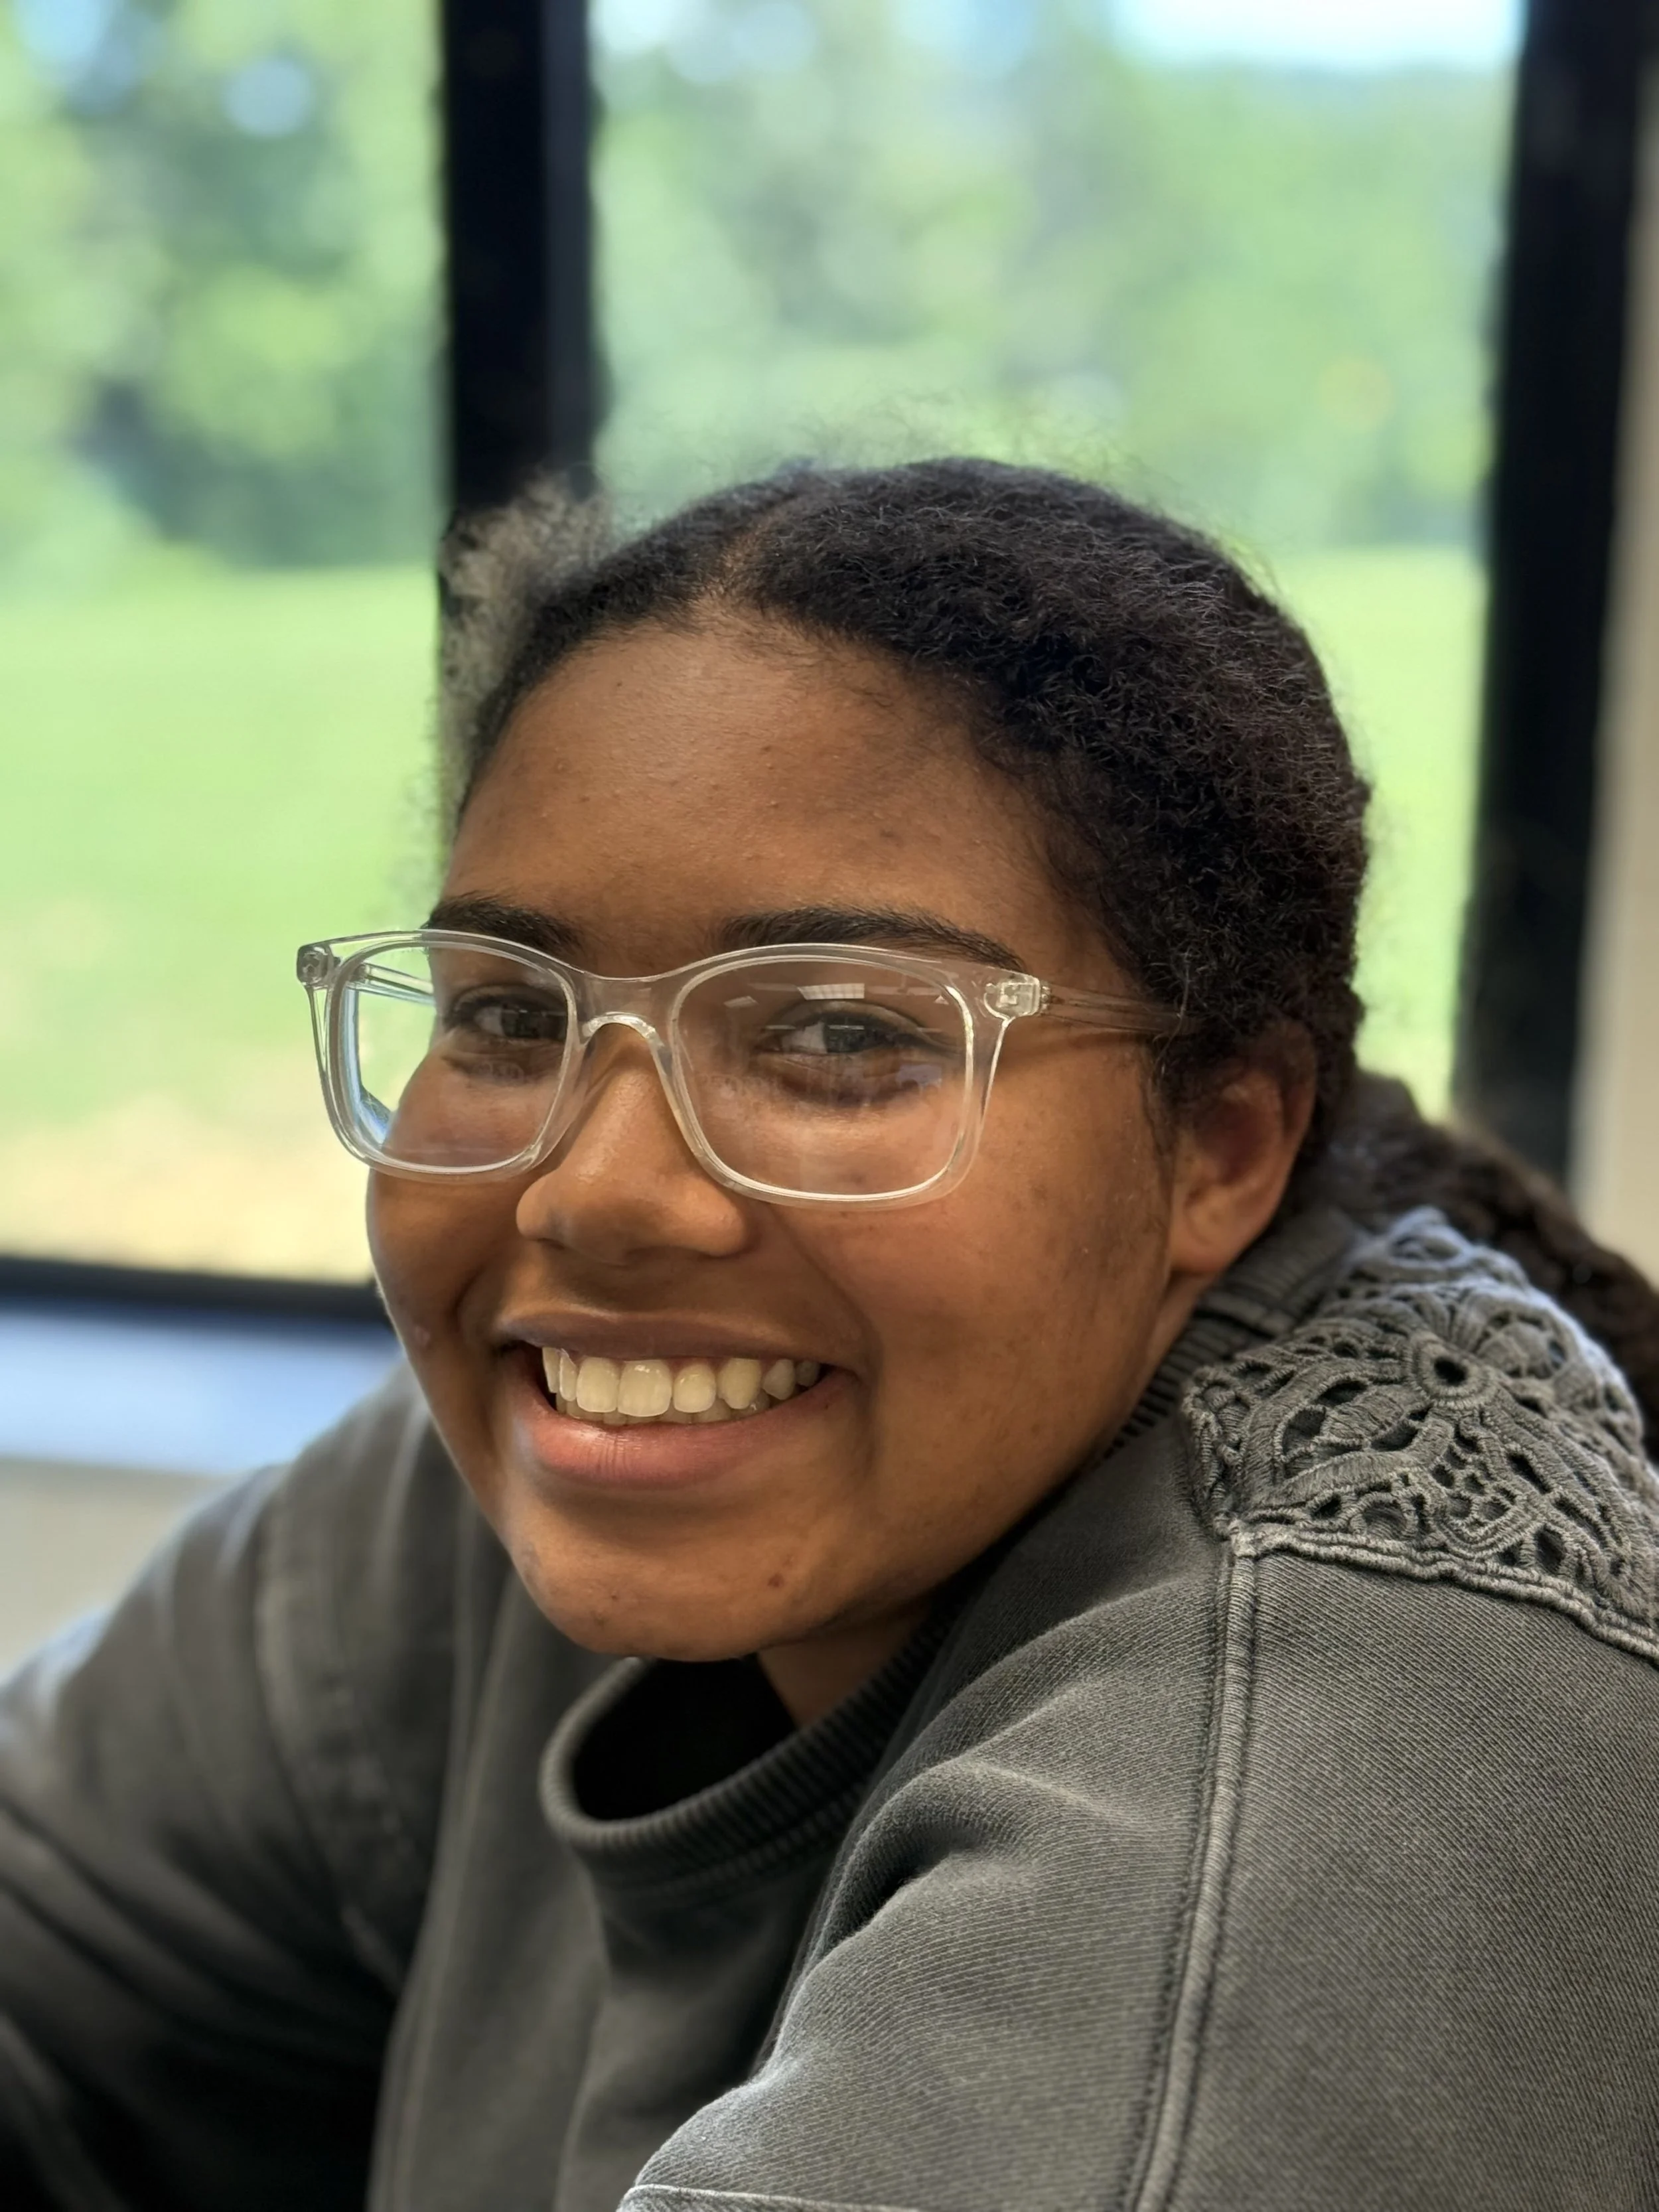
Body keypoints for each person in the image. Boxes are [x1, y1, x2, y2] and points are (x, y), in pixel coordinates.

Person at [4, 459, 1659, 2212]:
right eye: (506, 1013)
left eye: (842, 1036)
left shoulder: (1337, 1749)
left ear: (1221, 1148)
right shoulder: (562, 1462)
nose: (595, 1194)